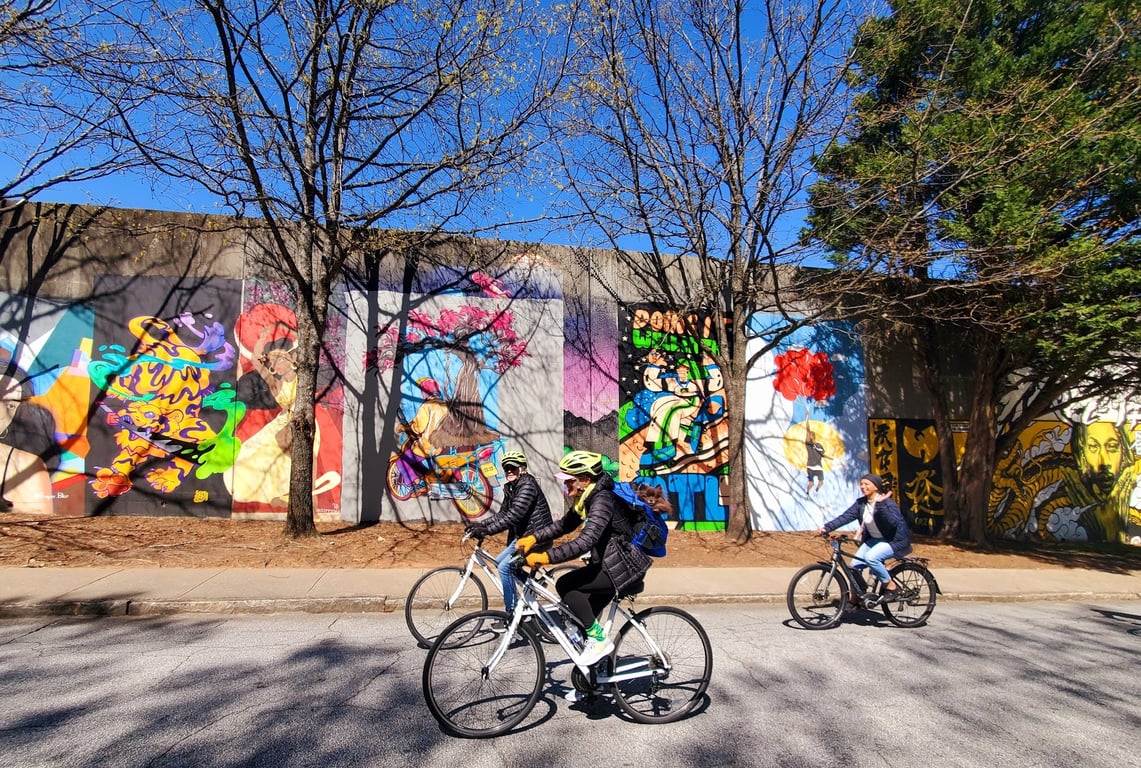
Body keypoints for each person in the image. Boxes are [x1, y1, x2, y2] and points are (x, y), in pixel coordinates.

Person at [514, 450, 651, 666]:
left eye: (569, 481)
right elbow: (564, 525)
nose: (566, 487)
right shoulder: (587, 497)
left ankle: (598, 641)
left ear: (585, 479)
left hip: (623, 568)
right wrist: (533, 537)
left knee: (567, 585)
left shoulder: (602, 500)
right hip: (609, 564)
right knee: (581, 622)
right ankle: (592, 681)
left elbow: (586, 541)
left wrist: (546, 557)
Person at [464, 451, 553, 613]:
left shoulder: (527, 486)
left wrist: (486, 531)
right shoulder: (512, 487)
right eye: (506, 468)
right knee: (500, 563)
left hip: (537, 539)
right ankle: (533, 586)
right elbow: (503, 513)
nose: (509, 471)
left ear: (523, 469)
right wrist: (480, 525)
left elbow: (514, 515)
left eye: (512, 467)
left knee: (505, 568)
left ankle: (511, 613)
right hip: (524, 537)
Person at [814, 472, 911, 604]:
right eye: (861, 484)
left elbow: (893, 523)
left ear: (876, 487)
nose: (863, 486)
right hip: (874, 541)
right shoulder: (861, 504)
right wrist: (827, 528)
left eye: (867, 484)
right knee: (854, 567)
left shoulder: (887, 503)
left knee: (871, 557)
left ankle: (891, 587)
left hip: (893, 540)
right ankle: (856, 599)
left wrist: (880, 505)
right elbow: (845, 517)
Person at [805, 428, 827, 494]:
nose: (810, 437)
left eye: (812, 435)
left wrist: (820, 452)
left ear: (814, 436)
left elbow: (822, 453)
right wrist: (807, 419)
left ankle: (816, 490)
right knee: (811, 483)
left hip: (818, 467)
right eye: (809, 436)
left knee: (821, 482)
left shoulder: (819, 445)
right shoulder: (808, 444)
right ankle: (807, 492)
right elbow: (807, 432)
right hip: (810, 466)